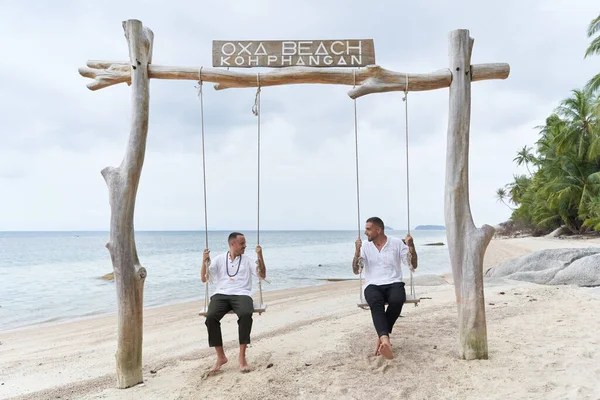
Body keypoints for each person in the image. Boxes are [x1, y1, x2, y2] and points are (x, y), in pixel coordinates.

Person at [201, 232, 266, 373]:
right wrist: (204, 260)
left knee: (245, 314)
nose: (245, 246)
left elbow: (262, 275)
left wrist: (260, 256)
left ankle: (242, 357)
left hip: (242, 294)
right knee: (210, 317)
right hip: (221, 294)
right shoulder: (219, 260)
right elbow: (204, 278)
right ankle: (221, 357)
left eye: (244, 243)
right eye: (242, 243)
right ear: (232, 244)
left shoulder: (248, 260)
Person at [352, 217, 417, 360]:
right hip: (373, 284)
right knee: (376, 303)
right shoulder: (364, 246)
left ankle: (382, 337)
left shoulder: (396, 243)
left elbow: (412, 265)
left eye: (368, 229)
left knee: (397, 299)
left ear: (378, 230)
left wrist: (411, 246)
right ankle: (386, 340)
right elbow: (356, 270)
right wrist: (357, 251)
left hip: (393, 282)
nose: (365, 232)